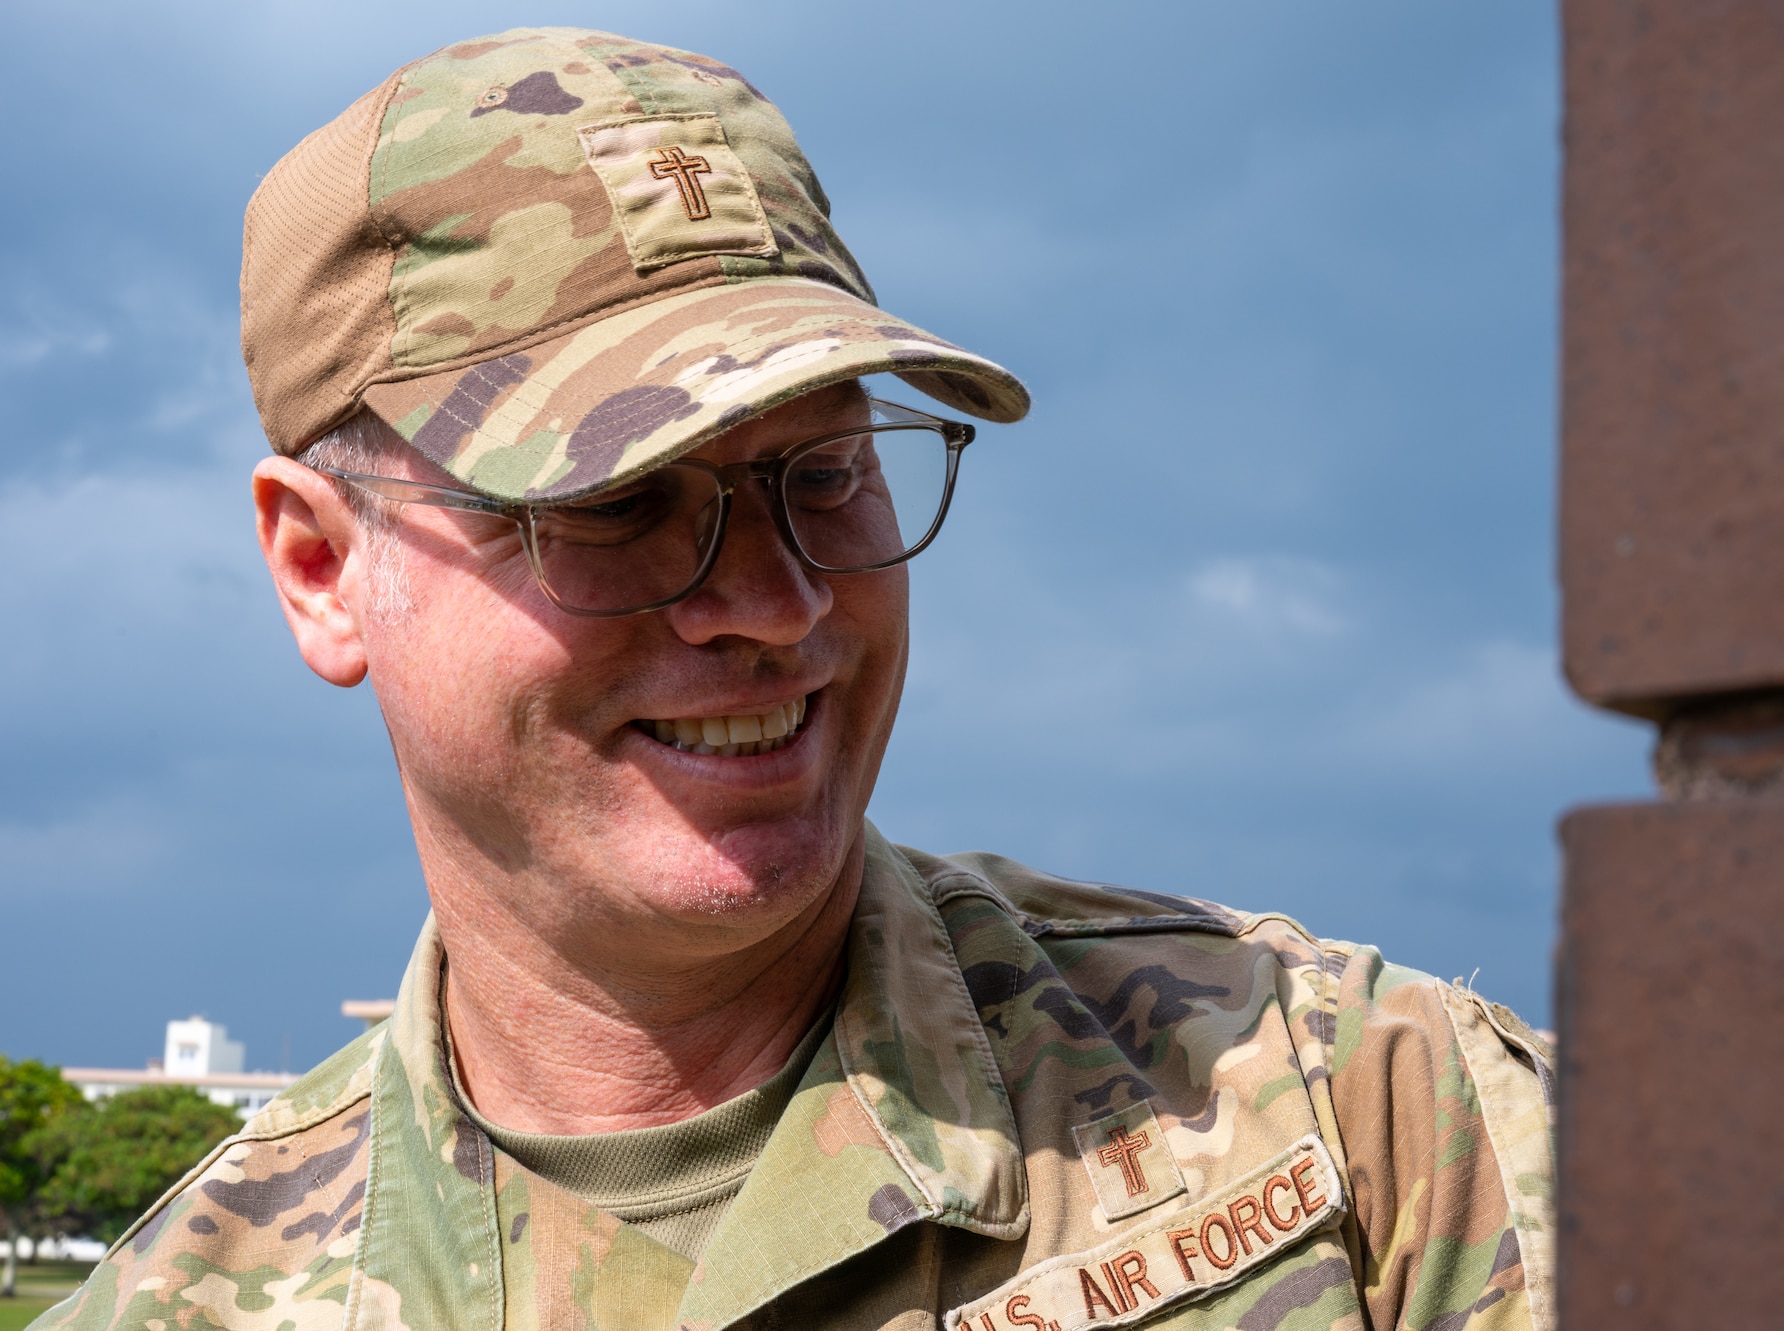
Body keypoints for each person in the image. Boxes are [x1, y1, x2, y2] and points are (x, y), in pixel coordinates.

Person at [37, 26, 1555, 1331]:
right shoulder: (187, 1305)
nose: (775, 601)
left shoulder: (1352, 1115)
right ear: (320, 567)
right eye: (615, 504)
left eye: (826, 474)